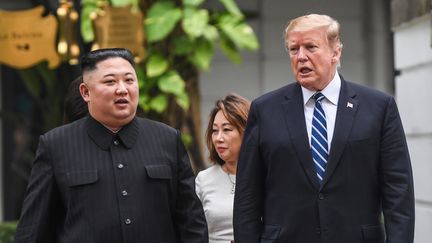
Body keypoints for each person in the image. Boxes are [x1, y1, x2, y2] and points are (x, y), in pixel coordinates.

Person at [233, 14, 415, 243]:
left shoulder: (378, 108)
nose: (301, 57)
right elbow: (247, 198)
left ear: (335, 52)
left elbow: (398, 192)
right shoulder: (265, 110)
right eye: (293, 49)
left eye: (310, 47)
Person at [14, 48, 208, 243]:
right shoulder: (55, 146)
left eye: (129, 80)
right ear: (85, 92)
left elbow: (191, 222)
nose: (122, 89)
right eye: (110, 81)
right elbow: (32, 231)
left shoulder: (167, 139)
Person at [195, 94, 250, 243]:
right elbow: (192, 231)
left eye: (226, 129)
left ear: (247, 132)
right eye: (214, 130)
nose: (218, 138)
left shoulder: (267, 177)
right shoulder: (203, 179)